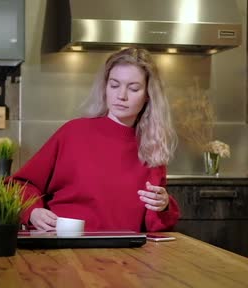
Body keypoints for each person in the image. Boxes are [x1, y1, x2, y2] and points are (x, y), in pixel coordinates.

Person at [11, 47, 180, 232]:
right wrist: (33, 212)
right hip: (64, 249)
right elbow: (19, 184)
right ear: (105, 87)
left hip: (123, 255)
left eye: (133, 88)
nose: (121, 95)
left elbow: (155, 224)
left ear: (148, 95)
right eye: (114, 85)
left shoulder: (151, 148)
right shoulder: (74, 132)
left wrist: (164, 205)